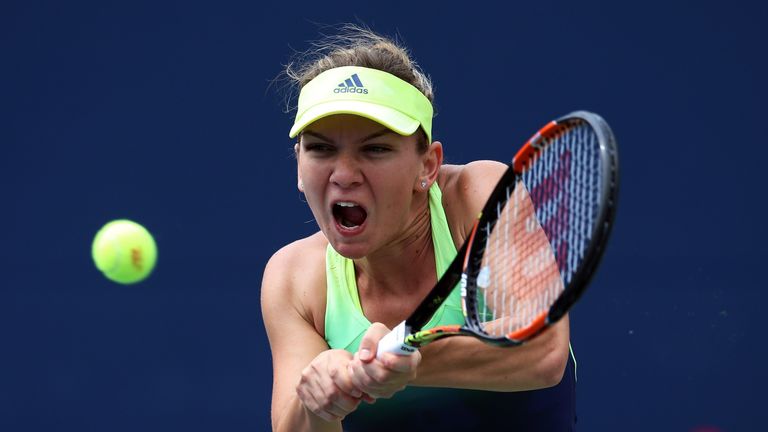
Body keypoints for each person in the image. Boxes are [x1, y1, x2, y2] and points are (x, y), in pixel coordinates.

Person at [261, 26, 577, 432]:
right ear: (299, 167)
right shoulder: (292, 278)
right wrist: (321, 403)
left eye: (375, 148)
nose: (343, 174)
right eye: (320, 148)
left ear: (427, 166)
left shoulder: (476, 197)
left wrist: (404, 359)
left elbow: (544, 349)